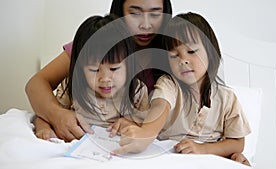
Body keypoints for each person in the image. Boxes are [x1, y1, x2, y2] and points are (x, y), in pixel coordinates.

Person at [111, 12, 252, 166]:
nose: (183, 60)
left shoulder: (227, 98)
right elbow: (160, 106)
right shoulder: (169, 85)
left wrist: (202, 149)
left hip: (210, 160)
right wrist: (147, 133)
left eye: (191, 51)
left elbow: (237, 142)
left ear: (210, 52)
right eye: (174, 56)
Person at [25, 0, 172, 142]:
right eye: (134, 13)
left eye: (155, 14)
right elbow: (36, 83)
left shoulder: (175, 51)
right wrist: (56, 116)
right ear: (120, 11)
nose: (145, 25)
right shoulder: (92, 45)